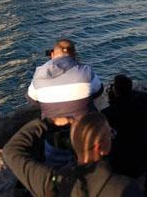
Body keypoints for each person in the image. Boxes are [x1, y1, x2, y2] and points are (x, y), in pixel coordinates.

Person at [3, 111, 142, 196]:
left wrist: (49, 122)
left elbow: (11, 151)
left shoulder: (51, 181)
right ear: (100, 148)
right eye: (110, 134)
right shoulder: (125, 188)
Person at [26, 39, 103, 169]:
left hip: (54, 137)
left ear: (52, 55)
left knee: (56, 170)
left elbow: (32, 100)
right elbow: (99, 91)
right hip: (84, 135)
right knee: (90, 167)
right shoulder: (86, 71)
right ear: (74, 55)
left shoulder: (39, 74)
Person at [101, 74, 147, 178]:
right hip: (142, 153)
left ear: (115, 91)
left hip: (121, 158)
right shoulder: (142, 104)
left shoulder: (108, 113)